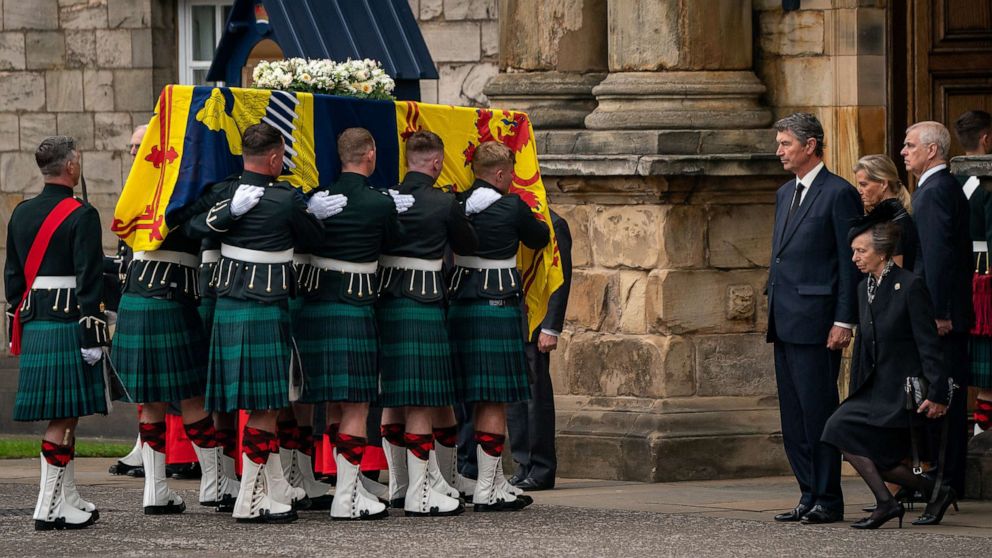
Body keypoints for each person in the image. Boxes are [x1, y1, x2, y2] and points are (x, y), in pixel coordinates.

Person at [196, 122, 344, 523]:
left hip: (230, 304)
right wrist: (309, 211)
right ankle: (250, 498)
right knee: (264, 405)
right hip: (264, 306)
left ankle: (272, 488)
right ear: (276, 157)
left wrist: (228, 210)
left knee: (257, 403)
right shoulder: (284, 199)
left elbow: (195, 227)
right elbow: (314, 238)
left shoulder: (226, 192)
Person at [294, 127, 406, 520]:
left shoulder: (318, 198)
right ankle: (346, 496)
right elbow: (395, 243)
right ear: (370, 154)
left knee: (332, 401)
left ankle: (348, 483)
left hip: (315, 303)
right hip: (355, 304)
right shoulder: (379, 203)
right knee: (356, 402)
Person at [6, 136, 110, 530]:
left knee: (66, 417)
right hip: (69, 321)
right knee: (63, 418)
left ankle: (67, 496)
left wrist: (21, 317)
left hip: (35, 321)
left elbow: (13, 277)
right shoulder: (81, 214)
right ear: (70, 167)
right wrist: (93, 332)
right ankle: (47, 506)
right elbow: (89, 278)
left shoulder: (21, 212)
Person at [823, 218, 952, 529]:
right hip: (875, 388)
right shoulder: (861, 287)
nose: (854, 258)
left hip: (902, 390)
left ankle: (895, 501)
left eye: (860, 251)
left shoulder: (910, 286)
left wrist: (937, 393)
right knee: (841, 431)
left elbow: (928, 344)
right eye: (853, 251)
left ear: (882, 253)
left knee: (852, 438)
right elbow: (867, 348)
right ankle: (923, 493)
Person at [766, 113, 862, 525]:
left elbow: (848, 263)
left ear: (811, 145)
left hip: (819, 322)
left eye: (785, 143)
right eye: (779, 143)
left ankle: (828, 497)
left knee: (818, 411)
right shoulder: (785, 193)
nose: (779, 151)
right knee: (793, 417)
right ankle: (807, 492)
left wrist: (845, 320)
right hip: (784, 319)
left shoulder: (839, 193)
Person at [377, 130, 478, 514]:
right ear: (436, 163)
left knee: (394, 393)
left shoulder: (386, 199)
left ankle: (399, 486)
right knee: (420, 395)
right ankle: (420, 490)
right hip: (424, 300)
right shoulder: (442, 201)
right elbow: (469, 245)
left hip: (386, 300)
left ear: (407, 161)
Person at [449, 141, 549, 511]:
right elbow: (539, 238)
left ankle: (481, 479)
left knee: (465, 393)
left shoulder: (456, 204)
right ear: (502, 174)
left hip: (460, 304)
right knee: (493, 397)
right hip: (497, 305)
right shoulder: (511, 205)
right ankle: (488, 487)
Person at [902, 121, 972, 505]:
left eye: (910, 145)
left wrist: (940, 312)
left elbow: (938, 257)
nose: (903, 151)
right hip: (942, 311)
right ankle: (944, 480)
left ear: (932, 150)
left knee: (942, 396)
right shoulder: (940, 187)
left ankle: (944, 483)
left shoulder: (933, 192)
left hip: (940, 316)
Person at [506, 209, 572, 491]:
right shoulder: (513, 216)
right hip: (513, 317)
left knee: (537, 398)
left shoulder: (554, 223)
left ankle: (542, 467)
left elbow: (560, 277)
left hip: (537, 320)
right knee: (515, 400)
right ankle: (523, 463)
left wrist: (551, 326)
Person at [953, 110, 992, 432]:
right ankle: (982, 433)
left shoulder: (948, 179)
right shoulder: (988, 183)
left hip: (961, 276)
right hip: (986, 277)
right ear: (986, 138)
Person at [852, 155, 918, 270]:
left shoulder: (894, 222)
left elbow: (895, 275)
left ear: (883, 184)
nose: (859, 191)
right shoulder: (887, 217)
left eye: (864, 184)